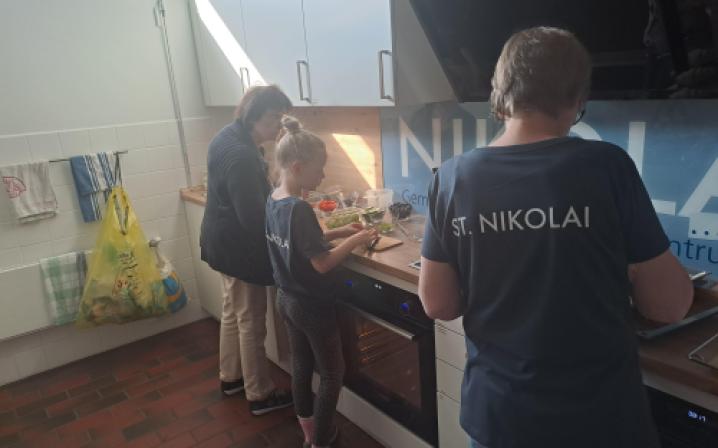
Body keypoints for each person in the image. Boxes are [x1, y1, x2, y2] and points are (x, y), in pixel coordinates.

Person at [418, 27, 694, 448]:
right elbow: (669, 307)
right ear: (577, 99)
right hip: (599, 421)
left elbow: (438, 303)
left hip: (501, 418)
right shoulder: (607, 166)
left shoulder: (451, 179)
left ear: (500, 92)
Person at [265, 116, 378, 448]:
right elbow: (322, 263)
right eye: (320, 169)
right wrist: (355, 241)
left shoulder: (274, 199)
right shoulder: (299, 208)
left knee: (301, 365)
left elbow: (302, 242)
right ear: (298, 167)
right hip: (311, 305)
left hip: (286, 299)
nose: (324, 176)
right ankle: (322, 439)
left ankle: (308, 431)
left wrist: (340, 231)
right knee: (331, 373)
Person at [200, 85, 293, 416]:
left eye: (282, 117)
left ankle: (231, 377)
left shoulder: (230, 135)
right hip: (238, 249)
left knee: (233, 311)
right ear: (253, 116)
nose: (278, 125)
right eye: (273, 118)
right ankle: (259, 394)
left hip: (222, 242)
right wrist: (288, 220)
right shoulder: (240, 154)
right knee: (251, 321)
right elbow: (253, 219)